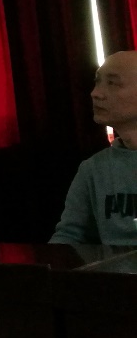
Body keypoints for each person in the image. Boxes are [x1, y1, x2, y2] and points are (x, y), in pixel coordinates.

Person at [50, 49, 137, 246]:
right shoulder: (93, 169)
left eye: (112, 83)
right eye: (97, 82)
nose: (95, 93)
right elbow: (69, 237)